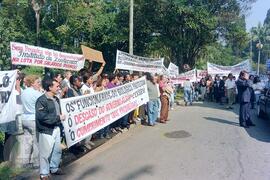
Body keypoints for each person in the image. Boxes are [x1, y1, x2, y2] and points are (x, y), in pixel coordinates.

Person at [36, 78, 66, 179]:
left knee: (57, 150)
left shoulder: (56, 99)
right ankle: (44, 173)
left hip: (56, 127)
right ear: (49, 87)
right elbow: (42, 117)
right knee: (45, 153)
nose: (59, 88)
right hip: (46, 130)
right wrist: (58, 117)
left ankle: (54, 168)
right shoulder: (41, 100)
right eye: (57, 86)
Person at [20, 75, 43, 167]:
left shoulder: (23, 92)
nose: (39, 84)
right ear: (32, 83)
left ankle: (25, 162)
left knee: (27, 141)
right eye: (37, 82)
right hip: (33, 119)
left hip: (24, 119)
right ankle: (36, 162)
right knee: (36, 141)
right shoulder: (36, 93)